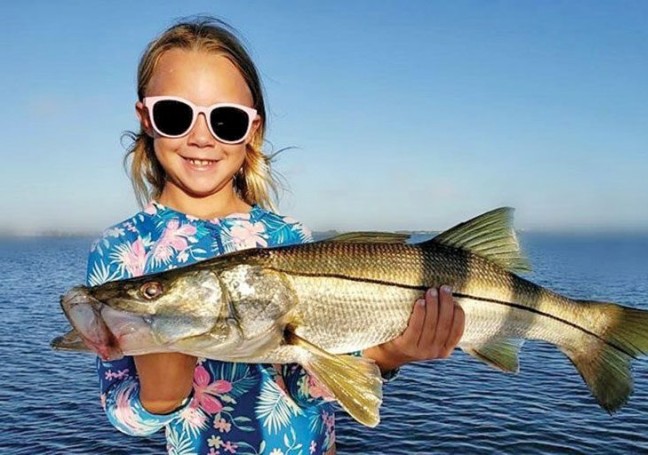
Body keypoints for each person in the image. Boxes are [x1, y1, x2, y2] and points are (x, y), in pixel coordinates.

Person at [87, 17, 465, 455]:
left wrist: (389, 356)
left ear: (254, 130)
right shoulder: (120, 252)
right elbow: (122, 414)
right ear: (146, 117)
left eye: (225, 121)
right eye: (176, 115)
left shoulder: (288, 236)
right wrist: (161, 396)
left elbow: (306, 388)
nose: (201, 138)